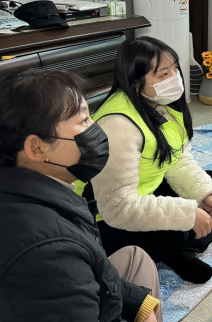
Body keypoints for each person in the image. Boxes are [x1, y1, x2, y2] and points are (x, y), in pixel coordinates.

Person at [0, 69, 162, 322]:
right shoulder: (49, 252)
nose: (96, 129)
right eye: (83, 121)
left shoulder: (20, 185)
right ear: (37, 147)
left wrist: (140, 302)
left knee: (136, 257)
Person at [81, 36, 212, 284]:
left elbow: (177, 160)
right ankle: (177, 250)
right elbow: (117, 208)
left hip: (144, 190)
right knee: (180, 229)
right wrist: (187, 214)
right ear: (137, 83)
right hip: (106, 220)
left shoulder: (162, 104)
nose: (174, 78)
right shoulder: (117, 126)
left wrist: (203, 196)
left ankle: (177, 251)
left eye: (174, 69)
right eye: (163, 74)